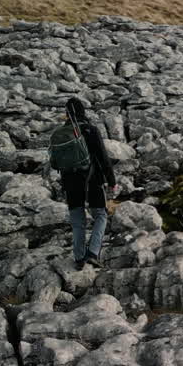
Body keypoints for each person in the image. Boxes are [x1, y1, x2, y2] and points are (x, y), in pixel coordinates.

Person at [60, 97, 116, 269]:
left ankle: (78, 258)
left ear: (67, 113)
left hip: (70, 182)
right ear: (83, 111)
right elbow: (103, 157)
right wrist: (111, 180)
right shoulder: (91, 130)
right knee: (100, 215)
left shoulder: (62, 133)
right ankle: (92, 252)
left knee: (78, 221)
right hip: (92, 180)